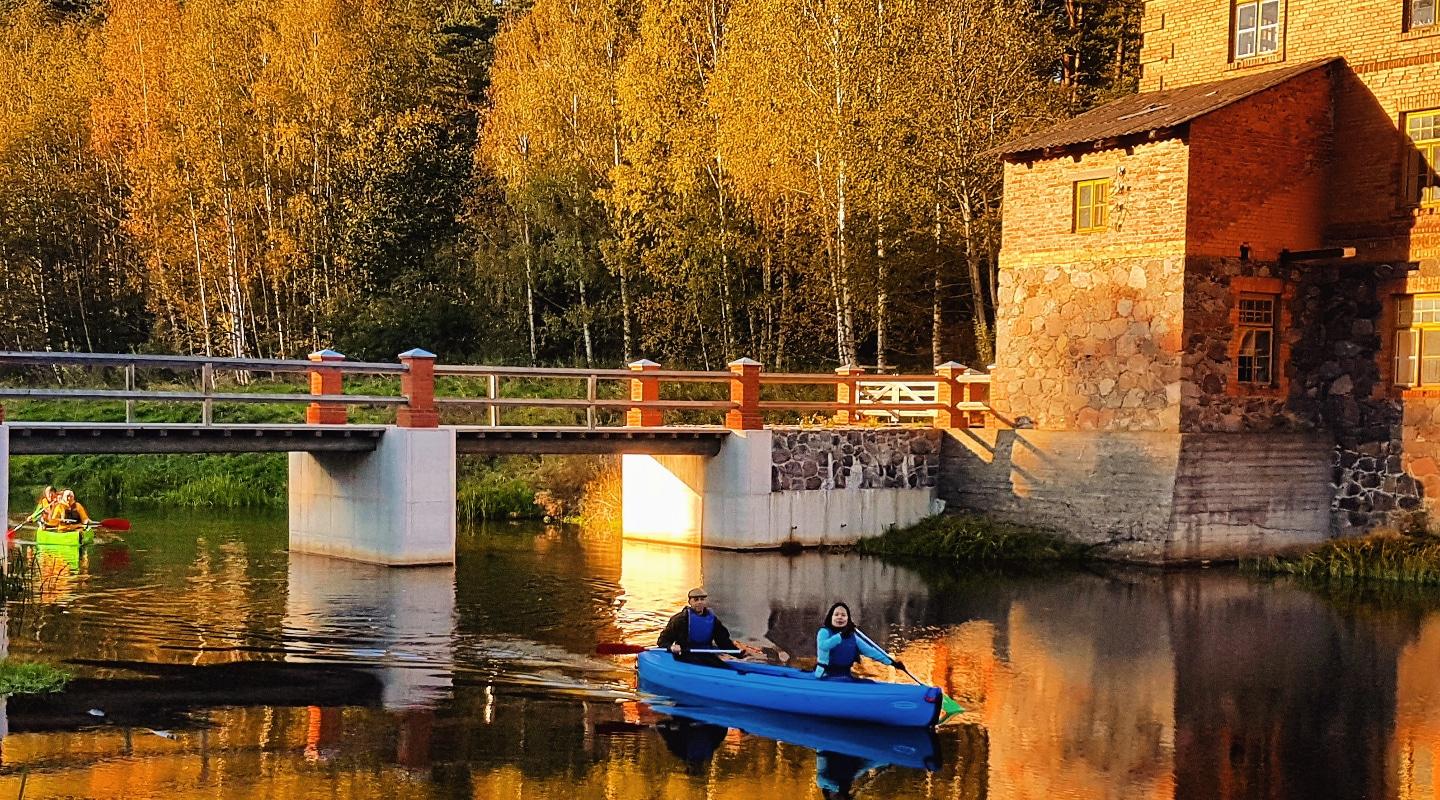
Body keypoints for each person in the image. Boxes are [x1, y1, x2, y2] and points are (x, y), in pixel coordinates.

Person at [657, 587, 768, 668]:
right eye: (696, 600)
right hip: (685, 655)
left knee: (725, 669)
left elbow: (723, 642)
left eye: (702, 599)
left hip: (705, 654)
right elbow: (662, 641)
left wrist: (739, 653)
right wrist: (671, 647)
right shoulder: (679, 620)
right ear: (690, 602)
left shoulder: (713, 620)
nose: (699, 602)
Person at [814, 602, 904, 679]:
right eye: (836, 615)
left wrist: (892, 662)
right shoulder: (824, 632)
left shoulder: (852, 637)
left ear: (848, 619)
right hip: (825, 676)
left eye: (843, 615)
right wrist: (840, 636)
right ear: (831, 617)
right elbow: (823, 646)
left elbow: (871, 652)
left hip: (845, 676)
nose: (840, 617)